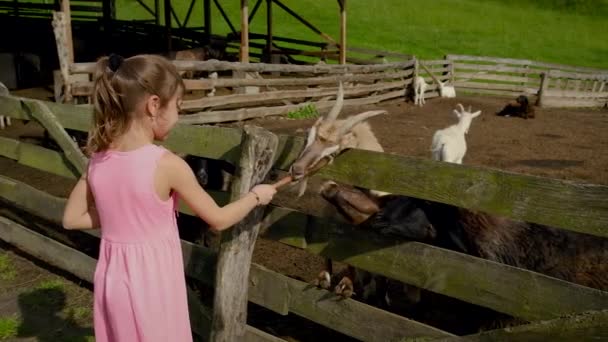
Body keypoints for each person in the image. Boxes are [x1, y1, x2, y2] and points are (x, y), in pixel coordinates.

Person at [62, 54, 276, 342]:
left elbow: (71, 218)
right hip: (154, 285)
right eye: (178, 107)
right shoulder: (166, 164)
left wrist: (123, 213)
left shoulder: (98, 160)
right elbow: (219, 219)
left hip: (113, 283)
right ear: (153, 105)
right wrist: (256, 196)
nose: (178, 117)